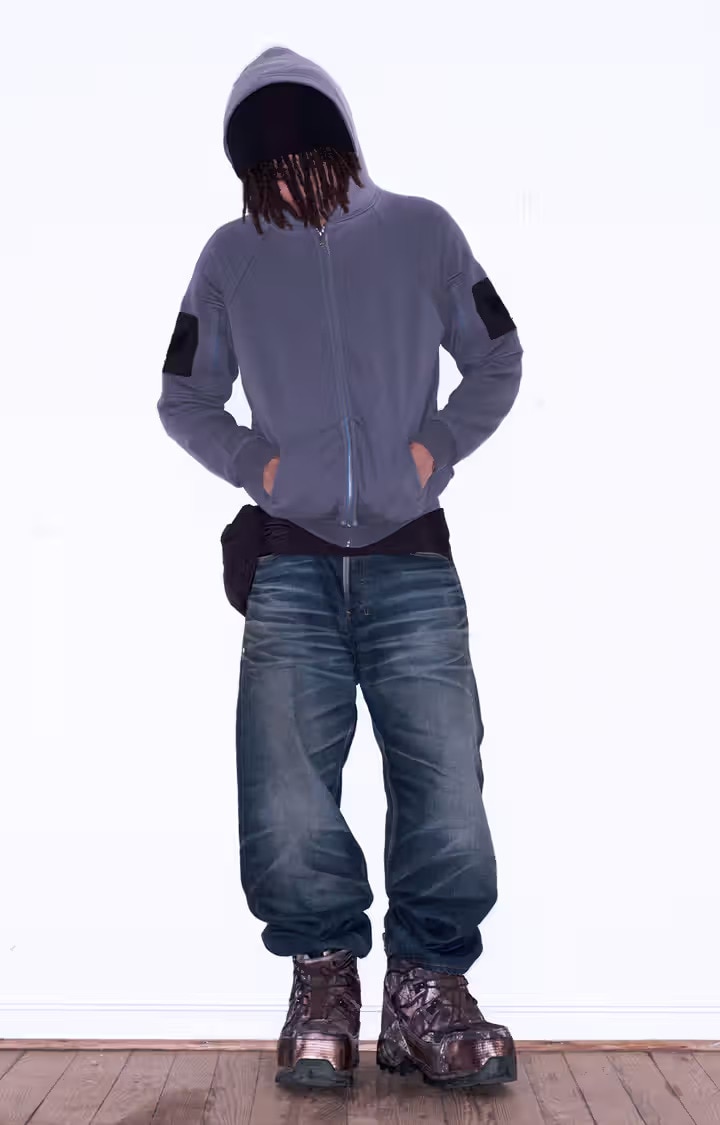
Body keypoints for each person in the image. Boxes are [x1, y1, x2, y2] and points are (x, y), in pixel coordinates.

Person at [158, 45, 523, 1091]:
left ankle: (428, 989)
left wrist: (434, 450)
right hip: (290, 569)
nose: (283, 181)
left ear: (339, 143)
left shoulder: (423, 232)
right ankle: (323, 983)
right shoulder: (229, 257)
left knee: (445, 787)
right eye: (261, 166)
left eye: (298, 156)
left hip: (412, 562)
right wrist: (257, 465)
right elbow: (183, 394)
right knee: (283, 793)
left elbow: (497, 354)